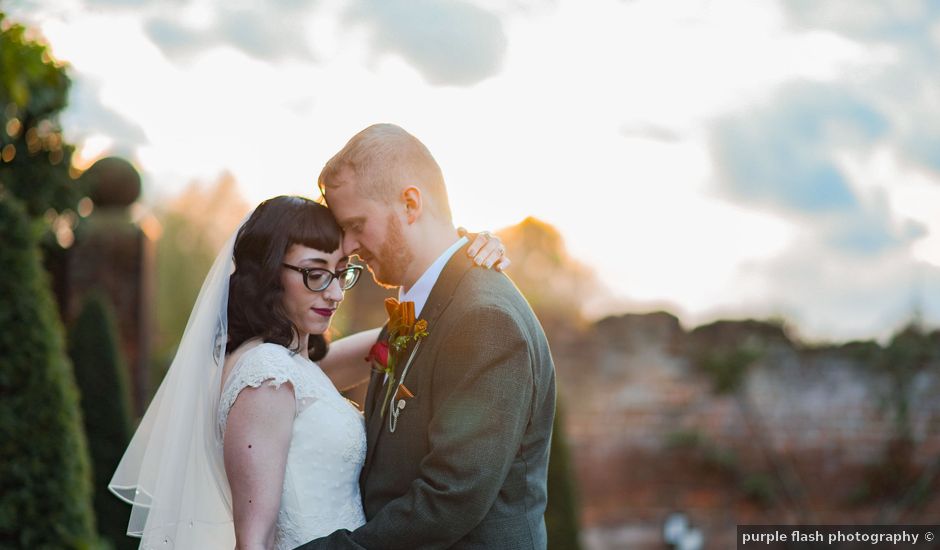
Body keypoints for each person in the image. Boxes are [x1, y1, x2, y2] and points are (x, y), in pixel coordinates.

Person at [108, 195, 507, 549]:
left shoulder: (295, 367)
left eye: (341, 272)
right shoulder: (265, 376)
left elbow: (401, 336)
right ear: (267, 272)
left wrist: (459, 258)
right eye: (315, 273)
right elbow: (254, 540)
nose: (334, 293)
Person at [298, 124, 556, 550]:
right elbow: (333, 373)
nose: (348, 246)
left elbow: (449, 498)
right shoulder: (416, 309)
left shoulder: (484, 319)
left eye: (357, 224)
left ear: (411, 203)